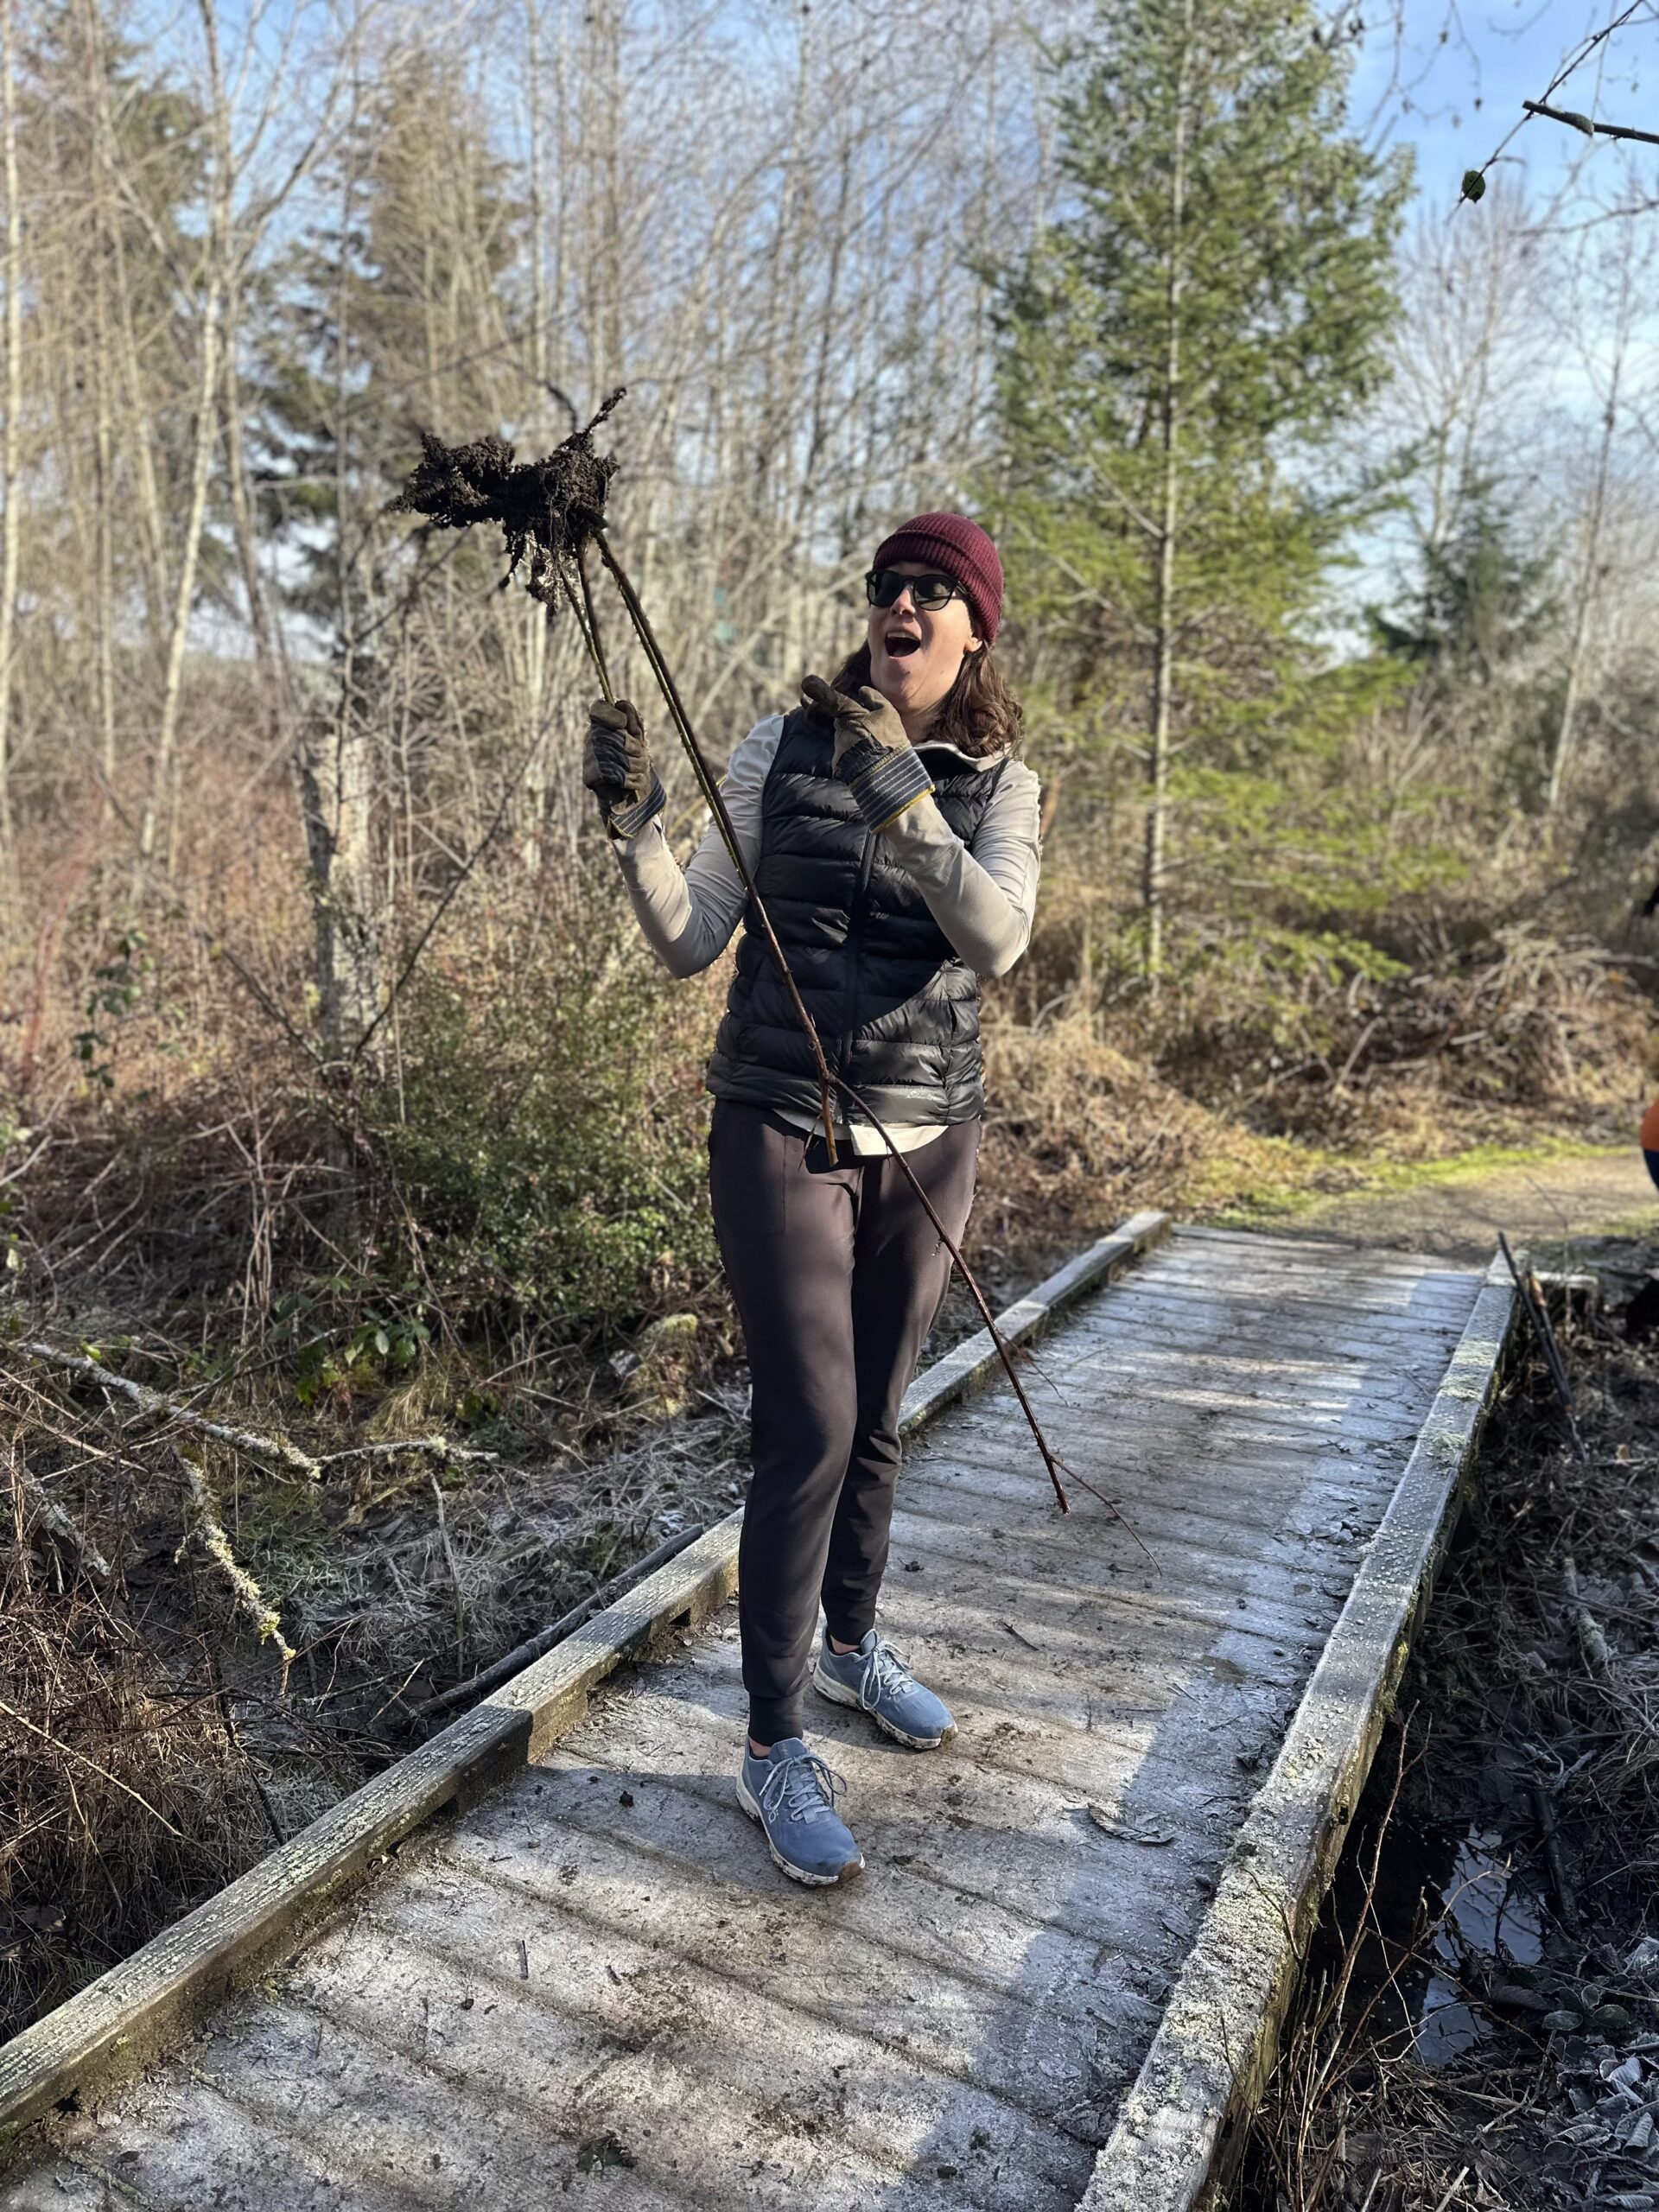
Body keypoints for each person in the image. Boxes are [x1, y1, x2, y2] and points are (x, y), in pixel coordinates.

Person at [582, 512, 1041, 1887]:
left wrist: (904, 794)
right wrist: (633, 828)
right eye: (888, 585)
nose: (902, 604)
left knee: (880, 1417)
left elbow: (997, 940)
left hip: (928, 1142)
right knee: (814, 1428)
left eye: (933, 590)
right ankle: (772, 1741)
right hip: (781, 1124)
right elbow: (687, 938)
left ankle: (849, 1648)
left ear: (975, 630)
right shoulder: (780, 750)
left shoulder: (1001, 785)